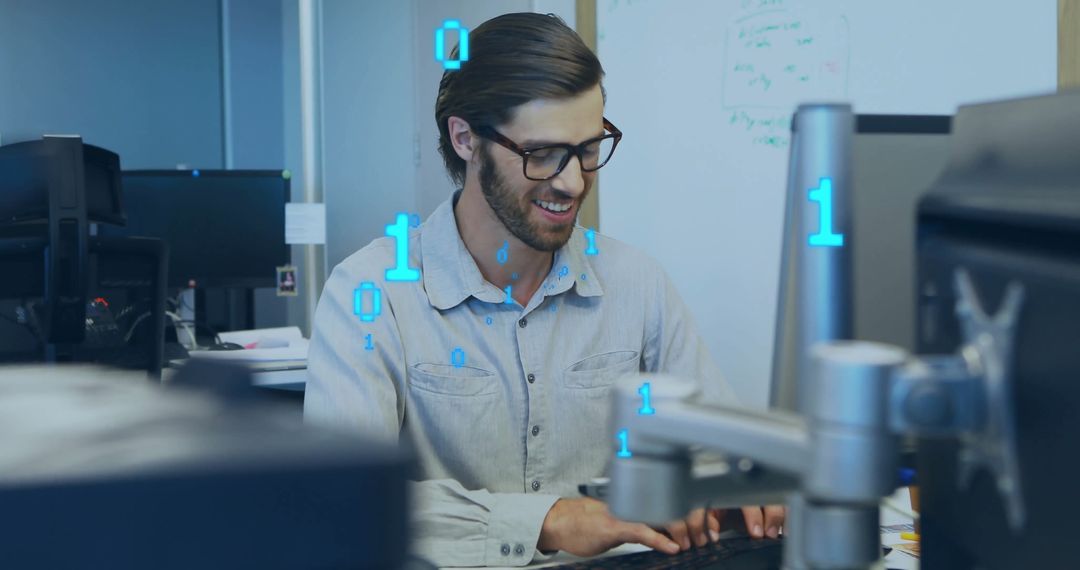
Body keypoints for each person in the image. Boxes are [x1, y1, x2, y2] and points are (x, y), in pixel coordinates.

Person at [304, 12, 784, 567]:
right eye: (543, 154)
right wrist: (553, 520)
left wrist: (745, 487)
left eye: (587, 148)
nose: (573, 181)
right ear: (466, 140)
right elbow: (340, 502)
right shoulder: (370, 293)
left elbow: (715, 455)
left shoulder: (637, 282)